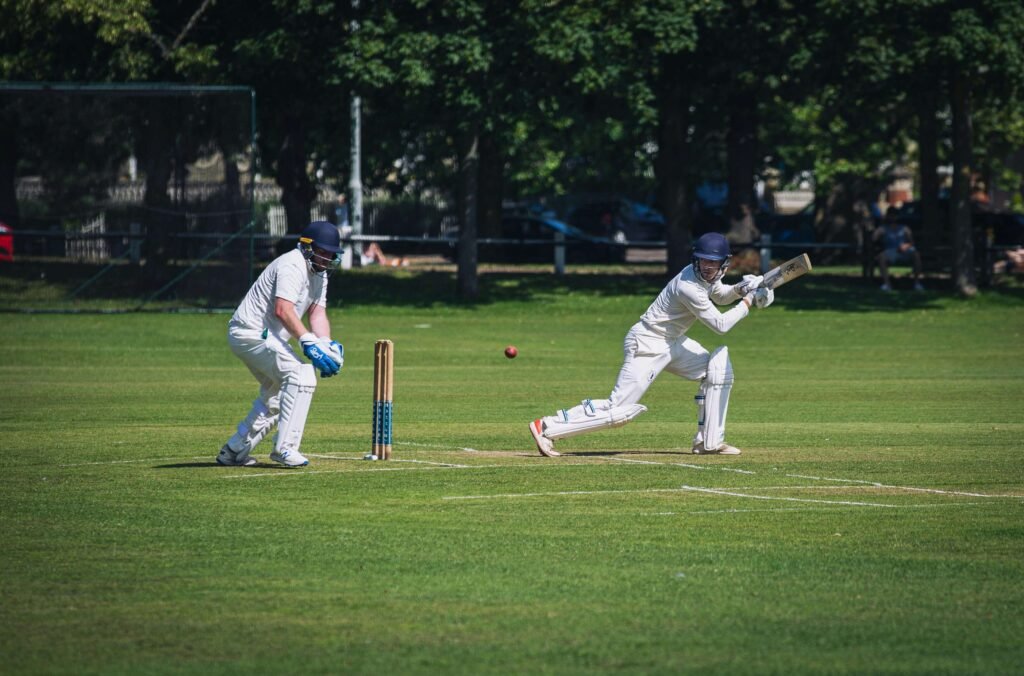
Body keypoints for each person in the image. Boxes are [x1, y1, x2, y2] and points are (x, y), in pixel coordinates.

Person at [528, 232, 774, 457]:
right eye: (703, 260)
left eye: (713, 262)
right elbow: (721, 325)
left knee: (716, 371)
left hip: (672, 342)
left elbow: (721, 295)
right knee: (619, 410)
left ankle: (708, 442)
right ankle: (548, 427)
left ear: (724, 263)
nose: (707, 267)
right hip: (647, 342)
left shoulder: (707, 278)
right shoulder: (688, 286)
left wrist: (742, 288)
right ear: (695, 259)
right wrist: (749, 301)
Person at [217, 220, 345, 468]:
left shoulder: (319, 272)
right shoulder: (292, 264)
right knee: (302, 376)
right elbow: (283, 310)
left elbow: (317, 313)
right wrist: (308, 342)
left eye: (332, 253)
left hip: (265, 336)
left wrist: (326, 343)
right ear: (308, 247)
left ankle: (233, 451)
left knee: (277, 397)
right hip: (250, 332)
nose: (328, 257)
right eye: (324, 251)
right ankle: (285, 449)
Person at [874, 206, 924, 291]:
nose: (892, 217)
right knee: (881, 257)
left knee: (916, 254)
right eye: (890, 215)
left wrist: (906, 246)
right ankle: (887, 285)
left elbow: (912, 242)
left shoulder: (904, 228)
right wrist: (879, 228)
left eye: (894, 215)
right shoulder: (883, 228)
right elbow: (874, 238)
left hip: (905, 251)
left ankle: (917, 284)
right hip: (891, 251)